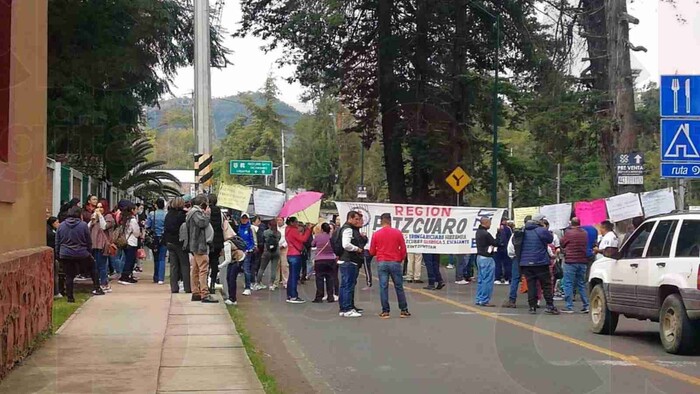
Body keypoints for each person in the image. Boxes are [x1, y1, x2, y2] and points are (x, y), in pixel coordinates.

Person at [55, 206, 104, 302]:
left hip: (65, 253)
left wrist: (58, 255)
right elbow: (88, 241)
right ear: (79, 214)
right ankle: (97, 287)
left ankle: (70, 297)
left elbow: (58, 242)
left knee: (69, 275)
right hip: (81, 253)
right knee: (93, 268)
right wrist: (89, 252)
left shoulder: (61, 226)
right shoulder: (83, 225)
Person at [370, 213, 410, 318]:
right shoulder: (397, 233)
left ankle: (385, 311)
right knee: (399, 286)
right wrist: (400, 259)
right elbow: (403, 248)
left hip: (382, 261)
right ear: (390, 221)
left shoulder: (376, 234)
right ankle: (403, 310)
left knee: (383, 287)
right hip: (395, 261)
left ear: (381, 221)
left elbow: (372, 251)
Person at [518, 214, 560, 315]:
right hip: (540, 261)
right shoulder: (541, 230)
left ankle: (532, 307)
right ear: (539, 221)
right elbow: (550, 239)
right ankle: (550, 305)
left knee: (531, 285)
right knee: (546, 284)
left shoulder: (523, 230)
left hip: (526, 262)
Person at [185, 194, 217, 303]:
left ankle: (196, 292)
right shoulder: (196, 213)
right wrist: (207, 215)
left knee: (195, 269)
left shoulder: (192, 212)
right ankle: (205, 293)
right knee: (203, 268)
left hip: (195, 245)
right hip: (199, 245)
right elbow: (202, 223)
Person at [560, 217, 590, 314]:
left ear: (571, 224)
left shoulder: (568, 233)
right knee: (581, 283)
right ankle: (586, 305)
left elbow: (562, 243)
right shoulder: (584, 233)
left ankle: (569, 307)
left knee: (568, 283)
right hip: (582, 260)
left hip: (570, 261)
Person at [338, 211, 365, 317]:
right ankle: (347, 309)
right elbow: (346, 245)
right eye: (356, 219)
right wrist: (357, 249)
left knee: (346, 285)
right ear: (350, 218)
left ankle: (347, 307)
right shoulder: (348, 229)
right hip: (349, 260)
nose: (358, 221)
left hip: (347, 260)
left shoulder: (350, 229)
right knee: (348, 285)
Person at [503, 215, 531, 308]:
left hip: (517, 258)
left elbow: (510, 248)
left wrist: (513, 256)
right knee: (533, 279)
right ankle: (533, 301)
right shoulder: (536, 233)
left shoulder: (517, 233)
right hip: (531, 258)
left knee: (515, 279)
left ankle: (512, 300)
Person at [164, 196, 190, 294]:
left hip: (169, 242)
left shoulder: (168, 215)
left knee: (173, 266)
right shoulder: (182, 215)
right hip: (179, 242)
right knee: (184, 264)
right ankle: (187, 287)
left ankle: (174, 287)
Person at [88, 199, 115, 293]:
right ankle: (99, 283)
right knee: (95, 265)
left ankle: (104, 284)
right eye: (97, 207)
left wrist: (100, 216)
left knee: (102, 265)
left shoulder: (109, 217)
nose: (99, 209)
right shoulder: (95, 216)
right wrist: (93, 220)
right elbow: (87, 228)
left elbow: (104, 227)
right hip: (94, 244)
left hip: (103, 244)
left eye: (101, 207)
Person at [285, 216, 312, 303]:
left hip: (290, 254)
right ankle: (293, 296)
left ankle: (289, 295)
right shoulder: (293, 230)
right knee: (294, 276)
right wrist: (308, 230)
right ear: (292, 223)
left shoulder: (287, 229)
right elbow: (303, 239)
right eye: (296, 222)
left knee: (291, 275)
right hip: (295, 254)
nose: (297, 224)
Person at [474, 217, 499, 307]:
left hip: (479, 257)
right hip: (487, 257)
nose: (490, 225)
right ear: (486, 222)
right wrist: (499, 234)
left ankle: (479, 298)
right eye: (489, 223)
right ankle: (484, 300)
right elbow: (495, 242)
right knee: (487, 280)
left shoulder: (478, 232)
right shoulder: (486, 234)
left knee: (481, 279)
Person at [311, 223, 336, 303]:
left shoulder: (318, 237)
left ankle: (319, 297)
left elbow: (312, 244)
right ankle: (330, 297)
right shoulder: (332, 238)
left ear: (322, 229)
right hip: (331, 259)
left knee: (319, 279)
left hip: (319, 260)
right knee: (330, 278)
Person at [145, 198, 168, 285]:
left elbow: (148, 225)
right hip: (164, 238)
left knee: (156, 258)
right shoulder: (166, 214)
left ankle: (156, 277)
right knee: (162, 258)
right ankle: (161, 278)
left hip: (154, 238)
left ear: (156, 205)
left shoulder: (152, 214)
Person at [118, 202, 141, 285]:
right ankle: (125, 277)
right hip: (132, 242)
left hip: (125, 242)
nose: (137, 210)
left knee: (128, 260)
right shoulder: (133, 220)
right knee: (130, 261)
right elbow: (136, 233)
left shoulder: (125, 219)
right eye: (136, 209)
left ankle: (127, 276)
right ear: (132, 210)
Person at [256, 219, 281, 291]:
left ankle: (258, 283)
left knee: (262, 268)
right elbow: (278, 240)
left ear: (269, 225)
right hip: (276, 252)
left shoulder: (265, 232)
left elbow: (262, 241)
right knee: (273, 269)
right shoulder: (278, 233)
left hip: (267, 251)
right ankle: (271, 284)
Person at [207, 194, 224, 293]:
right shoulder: (220, 213)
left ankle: (205, 282)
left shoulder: (206, 212)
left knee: (206, 262)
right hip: (218, 240)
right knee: (214, 262)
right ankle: (212, 283)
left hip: (209, 239)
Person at [237, 213, 257, 297]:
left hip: (248, 251)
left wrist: (252, 248)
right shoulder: (238, 228)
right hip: (240, 251)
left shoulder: (250, 228)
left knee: (246, 269)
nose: (244, 220)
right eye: (243, 218)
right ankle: (246, 283)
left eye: (246, 218)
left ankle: (248, 287)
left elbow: (254, 239)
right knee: (237, 269)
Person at [47, 216, 64, 299]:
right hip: (52, 256)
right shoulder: (52, 234)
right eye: (57, 222)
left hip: (52, 255)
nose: (59, 224)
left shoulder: (50, 230)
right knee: (55, 274)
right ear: (53, 223)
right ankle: (56, 292)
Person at [494, 217, 513, 285]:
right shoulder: (508, 228)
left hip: (497, 248)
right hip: (505, 248)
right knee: (507, 264)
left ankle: (497, 278)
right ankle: (507, 278)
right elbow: (511, 238)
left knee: (497, 264)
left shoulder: (495, 227)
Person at [251, 216, 267, 289]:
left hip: (260, 248)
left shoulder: (260, 228)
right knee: (255, 265)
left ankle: (256, 281)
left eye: (259, 221)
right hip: (256, 249)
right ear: (253, 222)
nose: (259, 223)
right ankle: (254, 282)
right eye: (257, 221)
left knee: (258, 265)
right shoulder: (253, 228)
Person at [276, 217, 289, 289]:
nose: (279, 221)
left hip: (284, 248)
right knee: (276, 265)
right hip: (276, 248)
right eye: (277, 220)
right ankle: (276, 282)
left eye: (280, 220)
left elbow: (288, 238)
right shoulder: (275, 228)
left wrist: (283, 245)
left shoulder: (286, 228)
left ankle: (286, 281)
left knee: (285, 265)